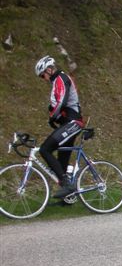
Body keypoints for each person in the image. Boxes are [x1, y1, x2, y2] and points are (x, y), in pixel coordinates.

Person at [35, 55, 84, 198]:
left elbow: (62, 102)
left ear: (49, 69)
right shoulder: (56, 82)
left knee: (45, 149)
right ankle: (67, 198)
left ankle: (67, 185)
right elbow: (56, 105)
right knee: (61, 162)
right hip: (67, 123)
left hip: (73, 122)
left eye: (42, 74)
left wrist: (53, 117)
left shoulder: (61, 79)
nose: (43, 78)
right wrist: (52, 113)